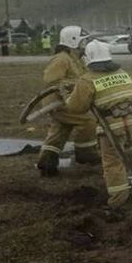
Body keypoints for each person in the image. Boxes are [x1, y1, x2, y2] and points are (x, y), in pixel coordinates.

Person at [63, 40, 132, 208]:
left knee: (113, 162)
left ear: (88, 59)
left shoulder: (87, 80)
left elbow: (76, 107)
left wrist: (67, 96)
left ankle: (118, 199)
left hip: (112, 126)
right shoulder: (122, 72)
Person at [36, 26, 100, 176]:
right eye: (82, 41)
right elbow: (51, 81)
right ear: (73, 41)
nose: (85, 45)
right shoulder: (61, 59)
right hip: (60, 103)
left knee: (60, 130)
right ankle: (85, 152)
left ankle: (47, 163)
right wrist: (70, 86)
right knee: (89, 120)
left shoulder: (75, 59)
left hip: (66, 102)